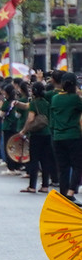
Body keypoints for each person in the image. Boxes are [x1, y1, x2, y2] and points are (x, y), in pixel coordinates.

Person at [50, 72, 82, 201]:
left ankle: (63, 194)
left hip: (58, 137)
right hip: (73, 136)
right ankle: (70, 192)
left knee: (63, 168)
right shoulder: (75, 99)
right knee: (77, 166)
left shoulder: (55, 98)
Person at [23, 81, 55, 193]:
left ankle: (32, 186)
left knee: (34, 160)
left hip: (36, 135)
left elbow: (30, 119)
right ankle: (45, 186)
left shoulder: (33, 103)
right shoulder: (46, 103)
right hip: (47, 133)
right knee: (45, 160)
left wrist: (24, 130)